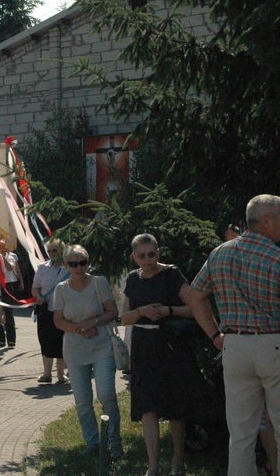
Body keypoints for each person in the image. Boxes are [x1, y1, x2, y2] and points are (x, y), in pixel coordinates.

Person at [186, 194, 280, 476]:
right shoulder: (276, 258)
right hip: (272, 343)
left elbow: (195, 296)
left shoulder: (219, 253)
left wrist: (215, 335)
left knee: (240, 433)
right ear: (265, 222)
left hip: (233, 345)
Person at [120, 233, 201, 476]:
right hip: (144, 344)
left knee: (175, 405)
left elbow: (195, 306)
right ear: (134, 257)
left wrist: (168, 310)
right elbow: (124, 317)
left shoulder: (172, 274)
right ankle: (153, 465)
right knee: (147, 406)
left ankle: (178, 460)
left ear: (159, 252)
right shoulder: (133, 279)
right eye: (142, 255)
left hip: (171, 344)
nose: (147, 259)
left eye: (151, 254)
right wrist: (141, 311)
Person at [53, 244, 123, 458]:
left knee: (106, 394)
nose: (78, 267)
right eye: (73, 263)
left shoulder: (98, 283)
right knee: (83, 400)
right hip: (75, 351)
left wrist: (92, 322)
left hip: (101, 346)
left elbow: (112, 311)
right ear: (66, 265)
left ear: (87, 262)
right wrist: (80, 329)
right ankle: (92, 442)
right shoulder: (61, 289)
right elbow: (58, 321)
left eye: (82, 262)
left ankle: (115, 442)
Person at [31, 241, 68, 383]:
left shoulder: (68, 268)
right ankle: (47, 374)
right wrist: (38, 297)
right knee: (45, 341)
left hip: (63, 311)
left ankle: (60, 374)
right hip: (45, 310)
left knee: (61, 341)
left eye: (55, 250)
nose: (52, 253)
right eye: (49, 251)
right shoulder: (42, 267)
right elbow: (35, 287)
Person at [0, 239, 23, 348]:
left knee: (8, 312)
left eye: (3, 246)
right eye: (0, 246)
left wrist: (21, 281)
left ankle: (11, 340)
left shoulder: (12, 256)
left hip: (9, 284)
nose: (1, 249)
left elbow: (13, 268)